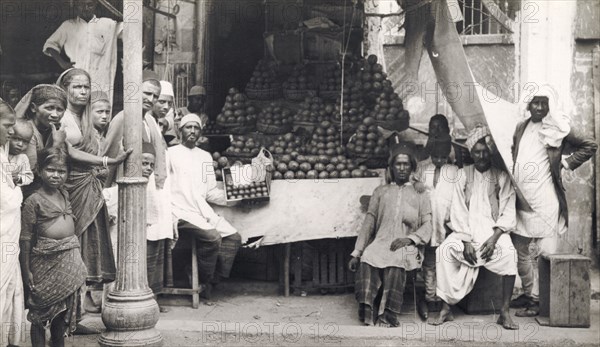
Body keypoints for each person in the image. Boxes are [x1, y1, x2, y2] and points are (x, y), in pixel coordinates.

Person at [510, 86, 598, 317]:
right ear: (528, 104)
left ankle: (539, 301)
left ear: (550, 105)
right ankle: (528, 293)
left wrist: (566, 164)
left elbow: (590, 144)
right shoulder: (521, 127)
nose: (539, 107)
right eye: (535, 103)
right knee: (520, 251)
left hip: (545, 199)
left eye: (544, 103)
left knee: (543, 251)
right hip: (522, 199)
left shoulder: (557, 127)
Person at [429, 125, 519, 330]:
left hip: (493, 232)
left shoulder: (502, 176)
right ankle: (445, 309)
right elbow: (458, 211)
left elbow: (508, 210)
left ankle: (504, 312)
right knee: (444, 251)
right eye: (477, 152)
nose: (481, 156)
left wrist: (495, 237)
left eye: (485, 151)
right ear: (471, 153)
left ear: (491, 152)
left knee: (509, 254)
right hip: (466, 232)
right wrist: (466, 240)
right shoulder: (461, 175)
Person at [57, 68, 130, 313]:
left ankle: (76, 313)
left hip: (90, 186)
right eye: (77, 86)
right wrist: (108, 162)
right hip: (70, 187)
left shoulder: (87, 117)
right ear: (65, 88)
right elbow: (70, 152)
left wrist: (100, 167)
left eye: (86, 87)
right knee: (72, 245)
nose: (82, 91)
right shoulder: (63, 116)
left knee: (89, 248)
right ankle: (65, 314)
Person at [348, 140, 433, 327]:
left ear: (411, 167)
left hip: (408, 245)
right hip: (381, 241)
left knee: (397, 258)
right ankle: (368, 310)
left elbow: (428, 225)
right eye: (398, 164)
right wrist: (357, 252)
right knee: (369, 256)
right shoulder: (380, 191)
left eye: (406, 164)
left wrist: (410, 239)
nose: (402, 168)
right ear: (392, 167)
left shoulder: (421, 194)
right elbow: (369, 223)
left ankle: (388, 314)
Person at [168, 114, 242, 299]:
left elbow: (209, 191)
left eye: (196, 128)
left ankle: (208, 279)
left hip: (201, 211)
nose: (192, 131)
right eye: (188, 127)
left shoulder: (206, 156)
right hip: (178, 211)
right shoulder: (170, 154)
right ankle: (203, 278)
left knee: (233, 238)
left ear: (201, 132)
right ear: (180, 130)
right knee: (212, 238)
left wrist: (234, 197)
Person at [20, 147, 87, 347]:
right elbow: (25, 238)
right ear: (39, 170)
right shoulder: (33, 200)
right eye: (51, 170)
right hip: (44, 261)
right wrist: (26, 270)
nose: (56, 175)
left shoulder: (65, 194)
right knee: (39, 314)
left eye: (61, 171)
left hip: (68, 260)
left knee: (62, 313)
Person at [103, 142, 173, 312]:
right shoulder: (114, 191)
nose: (148, 168)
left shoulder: (148, 192)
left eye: (151, 165)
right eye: (144, 163)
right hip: (116, 241)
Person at [413, 135, 458, 320]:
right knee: (429, 262)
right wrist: (419, 185)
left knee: (445, 263)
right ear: (431, 154)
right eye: (436, 157)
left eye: (443, 157)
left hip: (445, 223)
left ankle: (443, 297)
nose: (439, 160)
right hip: (427, 222)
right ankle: (430, 297)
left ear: (448, 155)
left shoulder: (454, 171)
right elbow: (414, 183)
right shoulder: (424, 168)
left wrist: (452, 224)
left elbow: (458, 198)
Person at [43, 0, 122, 102]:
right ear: (76, 5)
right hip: (78, 77)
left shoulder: (108, 24)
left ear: (95, 5)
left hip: (101, 79)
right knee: (76, 109)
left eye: (90, 4)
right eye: (81, 5)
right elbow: (50, 45)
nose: (85, 8)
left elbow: (131, 30)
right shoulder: (68, 26)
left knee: (100, 110)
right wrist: (62, 63)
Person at [0, 99, 25, 347]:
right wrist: (16, 188)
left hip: (8, 235)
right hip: (2, 231)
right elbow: (6, 201)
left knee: (8, 289)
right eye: (7, 125)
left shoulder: (2, 152)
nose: (11, 131)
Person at [7, 119, 34, 187]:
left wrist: (19, 178)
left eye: (25, 142)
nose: (20, 144)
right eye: (16, 139)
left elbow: (29, 177)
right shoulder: (2, 153)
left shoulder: (23, 158)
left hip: (12, 190)